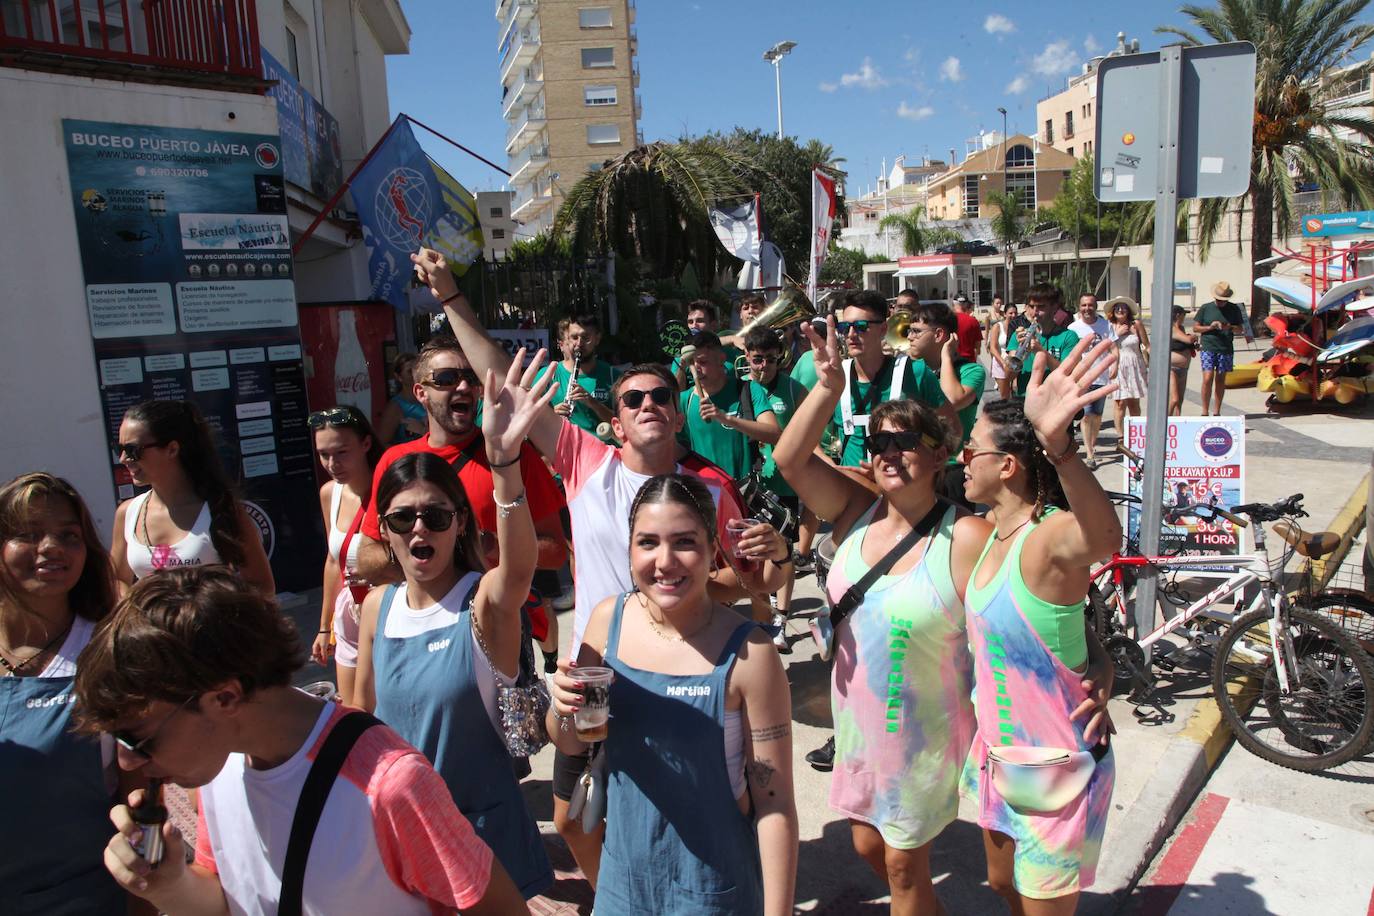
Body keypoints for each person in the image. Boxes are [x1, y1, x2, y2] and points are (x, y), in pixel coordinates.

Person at [412, 245, 793, 891]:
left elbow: (760, 579)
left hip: (680, 675)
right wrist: (451, 298)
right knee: (573, 820)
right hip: (595, 672)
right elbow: (501, 377)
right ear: (614, 422)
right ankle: (618, 895)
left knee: (685, 813)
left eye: (660, 396)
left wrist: (766, 568)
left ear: (676, 412)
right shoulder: (588, 464)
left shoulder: (708, 489)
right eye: (633, 398)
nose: (648, 404)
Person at [76, 566, 528, 914]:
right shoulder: (220, 763)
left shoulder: (388, 784)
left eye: (138, 738)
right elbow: (229, 900)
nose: (128, 761)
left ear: (224, 698)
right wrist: (170, 884)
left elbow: (501, 909)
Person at [772, 316, 993, 915]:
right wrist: (826, 389)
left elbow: (1012, 626)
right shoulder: (854, 511)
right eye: (880, 444)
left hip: (926, 727)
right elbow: (790, 460)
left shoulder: (968, 536)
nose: (890, 454)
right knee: (869, 842)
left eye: (906, 442)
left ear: (940, 454)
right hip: (860, 721)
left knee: (900, 862)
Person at [547, 474, 798, 915]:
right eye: (647, 543)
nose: (665, 562)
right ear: (629, 549)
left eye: (684, 542)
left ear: (712, 549)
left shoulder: (750, 655)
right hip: (622, 888)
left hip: (712, 891)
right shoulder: (608, 622)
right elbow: (572, 741)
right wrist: (563, 705)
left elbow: (774, 804)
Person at [354, 354, 556, 899]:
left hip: (484, 841)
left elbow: (517, 569)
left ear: (459, 523)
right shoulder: (378, 607)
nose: (420, 528)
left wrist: (504, 461)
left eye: (437, 516)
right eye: (402, 519)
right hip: (400, 839)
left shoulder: (483, 602)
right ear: (386, 530)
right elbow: (358, 726)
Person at [959, 336, 1121, 913]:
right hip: (1001, 757)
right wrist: (1099, 663)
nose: (961, 458)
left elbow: (1103, 541)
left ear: (1006, 465)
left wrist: (1061, 450)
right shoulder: (985, 534)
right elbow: (1055, 625)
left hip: (1059, 767)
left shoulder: (1045, 535)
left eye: (971, 449)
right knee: (1003, 885)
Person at [0, 472, 131, 915]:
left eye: (68, 535)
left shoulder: (109, 651)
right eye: (28, 534)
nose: (52, 546)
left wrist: (147, 898)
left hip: (83, 899)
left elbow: (142, 791)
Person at [352, 335, 568, 586]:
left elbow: (556, 553)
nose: (464, 387)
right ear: (421, 393)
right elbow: (367, 556)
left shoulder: (515, 456)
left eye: (471, 378)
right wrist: (426, 554)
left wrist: (488, 545)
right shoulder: (396, 461)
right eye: (446, 378)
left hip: (497, 617)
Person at [111, 399, 275, 594]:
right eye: (118, 448)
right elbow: (118, 579)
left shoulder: (221, 509)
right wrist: (135, 608)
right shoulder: (128, 513)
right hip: (147, 625)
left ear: (172, 449)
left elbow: (262, 587)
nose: (123, 459)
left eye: (132, 450)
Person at [741, 326, 813, 647]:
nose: (764, 366)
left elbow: (814, 426)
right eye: (758, 360)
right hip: (748, 484)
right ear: (747, 357)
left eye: (771, 360)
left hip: (783, 484)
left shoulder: (793, 389)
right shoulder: (738, 387)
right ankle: (762, 614)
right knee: (752, 556)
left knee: (781, 552)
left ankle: (781, 618)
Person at [308, 406, 384, 710]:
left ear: (366, 444)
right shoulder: (330, 493)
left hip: (386, 613)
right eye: (323, 454)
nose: (331, 463)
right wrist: (324, 626)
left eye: (341, 452)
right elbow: (332, 561)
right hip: (349, 614)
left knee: (387, 713)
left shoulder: (390, 490)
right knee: (353, 713)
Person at [828, 290, 953, 470]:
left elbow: (951, 431)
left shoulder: (916, 371)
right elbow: (804, 437)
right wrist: (833, 470)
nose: (851, 334)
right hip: (851, 491)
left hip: (902, 490)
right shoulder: (836, 376)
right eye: (844, 327)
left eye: (861, 326)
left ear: (884, 329)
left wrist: (922, 470)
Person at [904, 301, 987, 509]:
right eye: (909, 331)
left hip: (953, 468)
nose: (909, 337)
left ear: (939, 335)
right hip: (916, 465)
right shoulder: (911, 370)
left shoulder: (972, 371)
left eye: (916, 331)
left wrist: (945, 357)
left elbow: (952, 400)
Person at [678, 331, 778, 483]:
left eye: (703, 362)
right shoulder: (685, 399)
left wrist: (726, 419)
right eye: (692, 363)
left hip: (745, 492)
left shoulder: (748, 389)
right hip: (707, 494)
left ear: (722, 360)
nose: (696, 369)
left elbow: (774, 434)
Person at [540, 314, 620, 435]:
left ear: (597, 339)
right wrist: (552, 414)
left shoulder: (614, 376)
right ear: (566, 340)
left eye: (586, 337)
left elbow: (624, 425)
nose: (579, 343)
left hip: (602, 450)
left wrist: (593, 403)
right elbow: (528, 416)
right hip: (562, 449)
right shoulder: (548, 374)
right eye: (574, 337)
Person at [1004, 285, 1081, 399]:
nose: (1034, 312)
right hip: (1024, 400)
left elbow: (1067, 374)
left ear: (1054, 307)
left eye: (1041, 307)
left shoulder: (1069, 337)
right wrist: (1020, 352)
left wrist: (1040, 351)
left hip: (1055, 401)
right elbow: (1008, 376)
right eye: (1031, 306)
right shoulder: (1019, 335)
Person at [1067, 294, 1114, 466]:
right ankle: (1089, 453)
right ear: (1079, 307)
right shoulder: (1073, 328)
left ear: (1096, 306)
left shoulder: (1105, 325)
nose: (1087, 308)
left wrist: (1114, 365)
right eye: (1084, 305)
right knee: (1086, 416)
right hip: (1082, 379)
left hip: (1101, 377)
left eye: (1090, 305)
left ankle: (1092, 445)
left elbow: (1113, 348)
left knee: (1097, 415)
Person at [1194, 281, 1245, 416]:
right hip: (1209, 345)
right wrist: (1210, 327)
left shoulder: (1234, 309)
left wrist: (1230, 327)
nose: (1220, 302)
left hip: (1225, 347)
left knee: (1221, 379)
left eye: (1223, 300)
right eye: (1218, 300)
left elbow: (1241, 329)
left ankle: (1217, 410)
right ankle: (1204, 411)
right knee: (1207, 377)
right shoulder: (1206, 308)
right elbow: (1195, 327)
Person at [1106, 297, 1150, 443]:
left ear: (1128, 310)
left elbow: (1146, 345)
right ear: (1113, 311)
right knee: (1119, 402)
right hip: (1117, 366)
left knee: (1133, 402)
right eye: (1117, 307)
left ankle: (1135, 433)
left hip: (1135, 365)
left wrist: (1155, 361)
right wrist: (1116, 334)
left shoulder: (1136, 324)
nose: (1120, 310)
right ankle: (1121, 436)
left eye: (1123, 307)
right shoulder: (1109, 326)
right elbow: (1104, 346)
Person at [376, 352, 427, 445]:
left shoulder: (427, 399)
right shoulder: (395, 407)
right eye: (409, 371)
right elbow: (381, 443)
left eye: (416, 370)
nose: (414, 375)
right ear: (399, 377)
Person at [988, 302, 1024, 401]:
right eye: (1010, 313)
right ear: (1004, 314)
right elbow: (993, 348)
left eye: (1015, 313)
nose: (1013, 316)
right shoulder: (997, 326)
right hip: (1001, 363)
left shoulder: (1018, 327)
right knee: (1005, 395)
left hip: (1014, 364)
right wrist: (1003, 363)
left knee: (1015, 392)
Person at [1168, 306, 1198, 416]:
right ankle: (1166, 420)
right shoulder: (1172, 328)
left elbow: (1186, 343)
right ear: (1177, 315)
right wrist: (1193, 337)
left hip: (1184, 369)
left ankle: (1177, 421)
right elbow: (1188, 339)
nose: (1184, 317)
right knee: (1174, 399)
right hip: (1172, 369)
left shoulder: (1181, 328)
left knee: (1179, 401)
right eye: (1183, 315)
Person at [951, 294, 984, 362]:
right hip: (969, 362)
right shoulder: (973, 321)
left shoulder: (946, 320)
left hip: (951, 362)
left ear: (953, 304)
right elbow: (978, 348)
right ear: (966, 305)